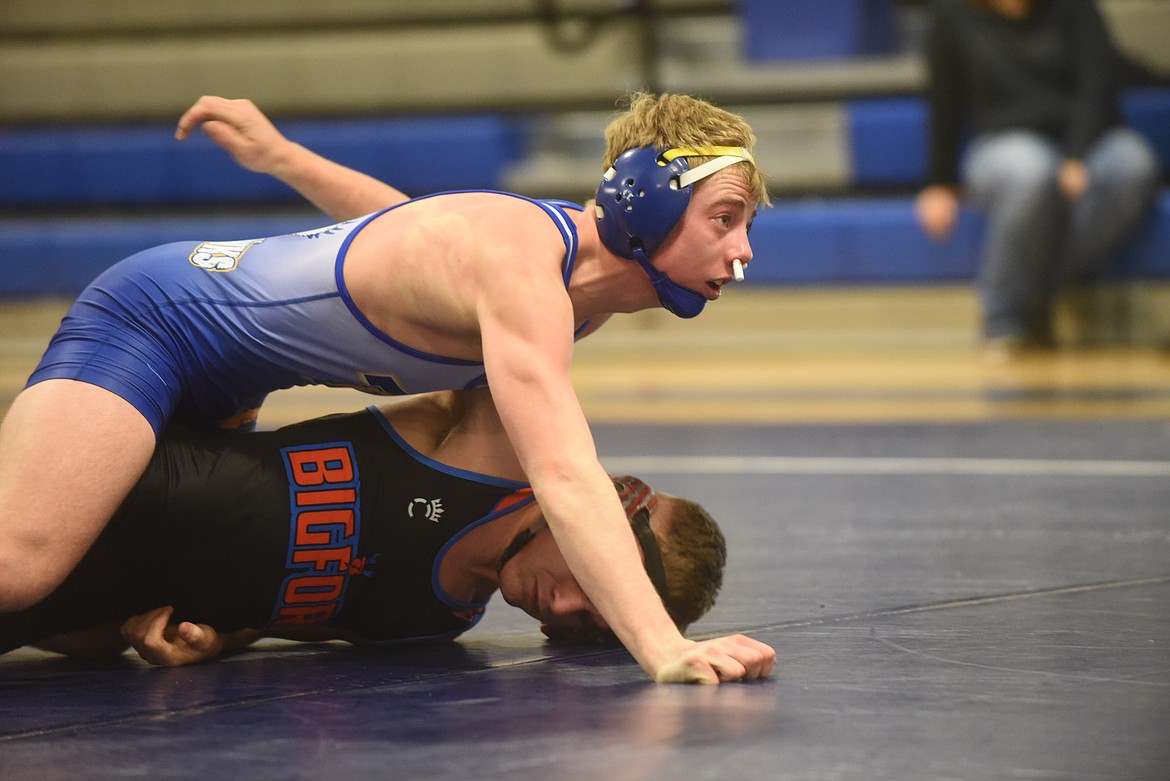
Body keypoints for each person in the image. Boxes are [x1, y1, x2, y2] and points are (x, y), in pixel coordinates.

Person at [0, 91, 773, 683]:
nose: (741, 254)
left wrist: (281, 157)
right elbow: (564, 471)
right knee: (20, 565)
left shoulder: (563, 302)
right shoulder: (525, 271)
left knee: (88, 608)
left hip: (226, 389)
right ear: (653, 195)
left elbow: (401, 226)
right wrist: (664, 650)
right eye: (727, 218)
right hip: (155, 323)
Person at [2, 389, 761, 681]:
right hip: (91, 482)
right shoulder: (497, 444)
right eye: (596, 582)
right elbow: (464, 253)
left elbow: (271, 619)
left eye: (589, 624)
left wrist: (214, 640)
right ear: (612, 500)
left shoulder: (429, 626)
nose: (561, 604)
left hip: (74, 607)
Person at [914, 0, 1160, 357]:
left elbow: (1097, 83)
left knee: (1132, 163)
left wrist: (1077, 154)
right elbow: (944, 101)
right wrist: (938, 182)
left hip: (1087, 137)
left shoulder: (1075, 9)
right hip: (1002, 145)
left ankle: (1034, 294)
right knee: (1032, 170)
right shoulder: (951, 17)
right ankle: (1002, 317)